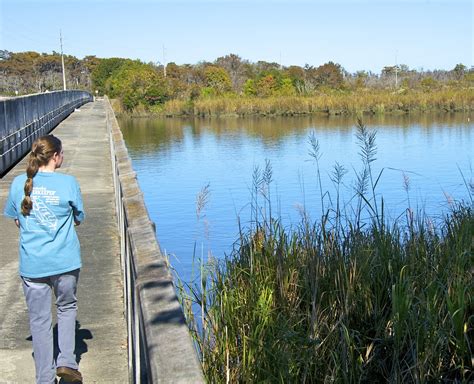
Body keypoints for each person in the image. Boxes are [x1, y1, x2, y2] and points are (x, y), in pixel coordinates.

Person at [3, 135, 84, 383]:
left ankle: (44, 378)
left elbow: (17, 219)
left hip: (33, 264)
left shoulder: (19, 183)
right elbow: (78, 217)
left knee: (39, 321)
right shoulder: (68, 183)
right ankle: (67, 362)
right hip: (65, 261)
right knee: (67, 308)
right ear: (56, 156)